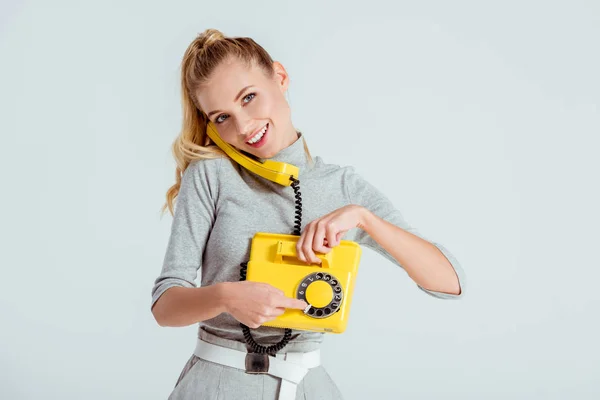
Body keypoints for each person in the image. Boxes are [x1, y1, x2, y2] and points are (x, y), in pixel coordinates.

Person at [150, 28, 466, 400]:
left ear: (279, 77)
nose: (243, 126)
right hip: (218, 384)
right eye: (222, 117)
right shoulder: (211, 176)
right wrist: (225, 297)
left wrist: (363, 218)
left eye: (249, 98)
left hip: (307, 386)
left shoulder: (342, 187)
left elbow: (449, 283)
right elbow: (165, 305)